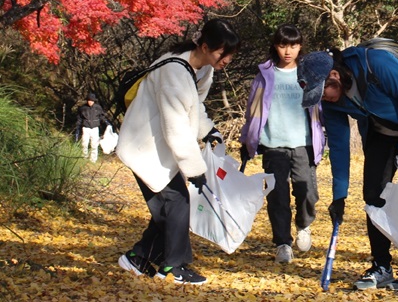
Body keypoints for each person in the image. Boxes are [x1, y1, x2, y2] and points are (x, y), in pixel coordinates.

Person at [297, 46, 398, 291]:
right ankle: (381, 266)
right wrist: (339, 196)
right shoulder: (332, 103)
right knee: (373, 195)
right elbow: (339, 147)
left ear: (334, 76)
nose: (322, 99)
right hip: (383, 130)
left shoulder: (376, 63)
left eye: (322, 92)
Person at [116, 19, 240, 285]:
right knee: (176, 203)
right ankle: (173, 267)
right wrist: (195, 169)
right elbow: (176, 126)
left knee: (169, 208)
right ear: (205, 47)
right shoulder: (174, 71)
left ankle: (138, 257)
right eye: (222, 53)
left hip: (158, 148)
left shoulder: (203, 70)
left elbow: (193, 107)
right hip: (144, 147)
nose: (227, 60)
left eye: (230, 54)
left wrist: (208, 130)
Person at [239, 24, 325, 264]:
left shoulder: (309, 75)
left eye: (293, 46)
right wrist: (246, 139)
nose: (288, 51)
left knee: (307, 192)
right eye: (283, 45)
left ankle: (304, 225)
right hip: (273, 144)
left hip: (304, 144)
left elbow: (320, 109)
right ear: (275, 46)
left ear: (300, 47)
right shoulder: (264, 75)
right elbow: (253, 110)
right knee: (277, 195)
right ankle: (283, 243)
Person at [75, 92, 110, 163]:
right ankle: (84, 157)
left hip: (95, 128)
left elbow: (102, 116)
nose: (90, 102)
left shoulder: (98, 108)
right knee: (84, 143)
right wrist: (77, 128)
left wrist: (107, 123)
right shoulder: (83, 108)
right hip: (86, 128)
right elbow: (79, 119)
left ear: (94, 101)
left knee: (94, 145)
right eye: (89, 100)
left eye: (92, 100)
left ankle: (93, 160)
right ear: (87, 100)